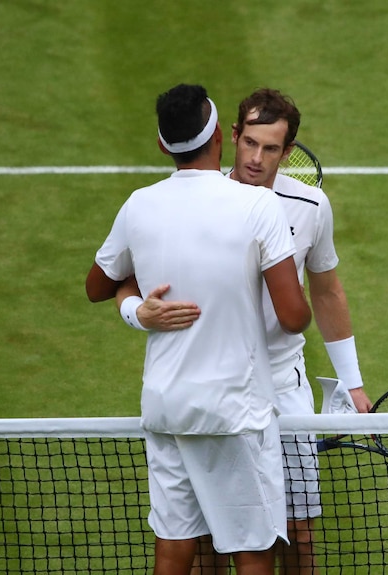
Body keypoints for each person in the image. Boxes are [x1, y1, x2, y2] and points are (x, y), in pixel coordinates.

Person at [115, 88, 372, 574]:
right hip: (224, 386)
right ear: (230, 136)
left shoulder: (311, 207)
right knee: (211, 532)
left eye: (270, 148)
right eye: (249, 143)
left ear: (288, 152)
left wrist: (352, 381)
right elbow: (125, 275)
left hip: (282, 384)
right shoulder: (195, 200)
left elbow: (327, 292)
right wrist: (136, 310)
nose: (256, 158)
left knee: (298, 530)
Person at [85, 84, 312, 575]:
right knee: (253, 549)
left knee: (174, 542)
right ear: (220, 141)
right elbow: (294, 318)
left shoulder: (138, 205)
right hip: (237, 412)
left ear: (165, 146)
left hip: (166, 407)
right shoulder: (259, 207)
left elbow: (98, 285)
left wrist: (136, 309)